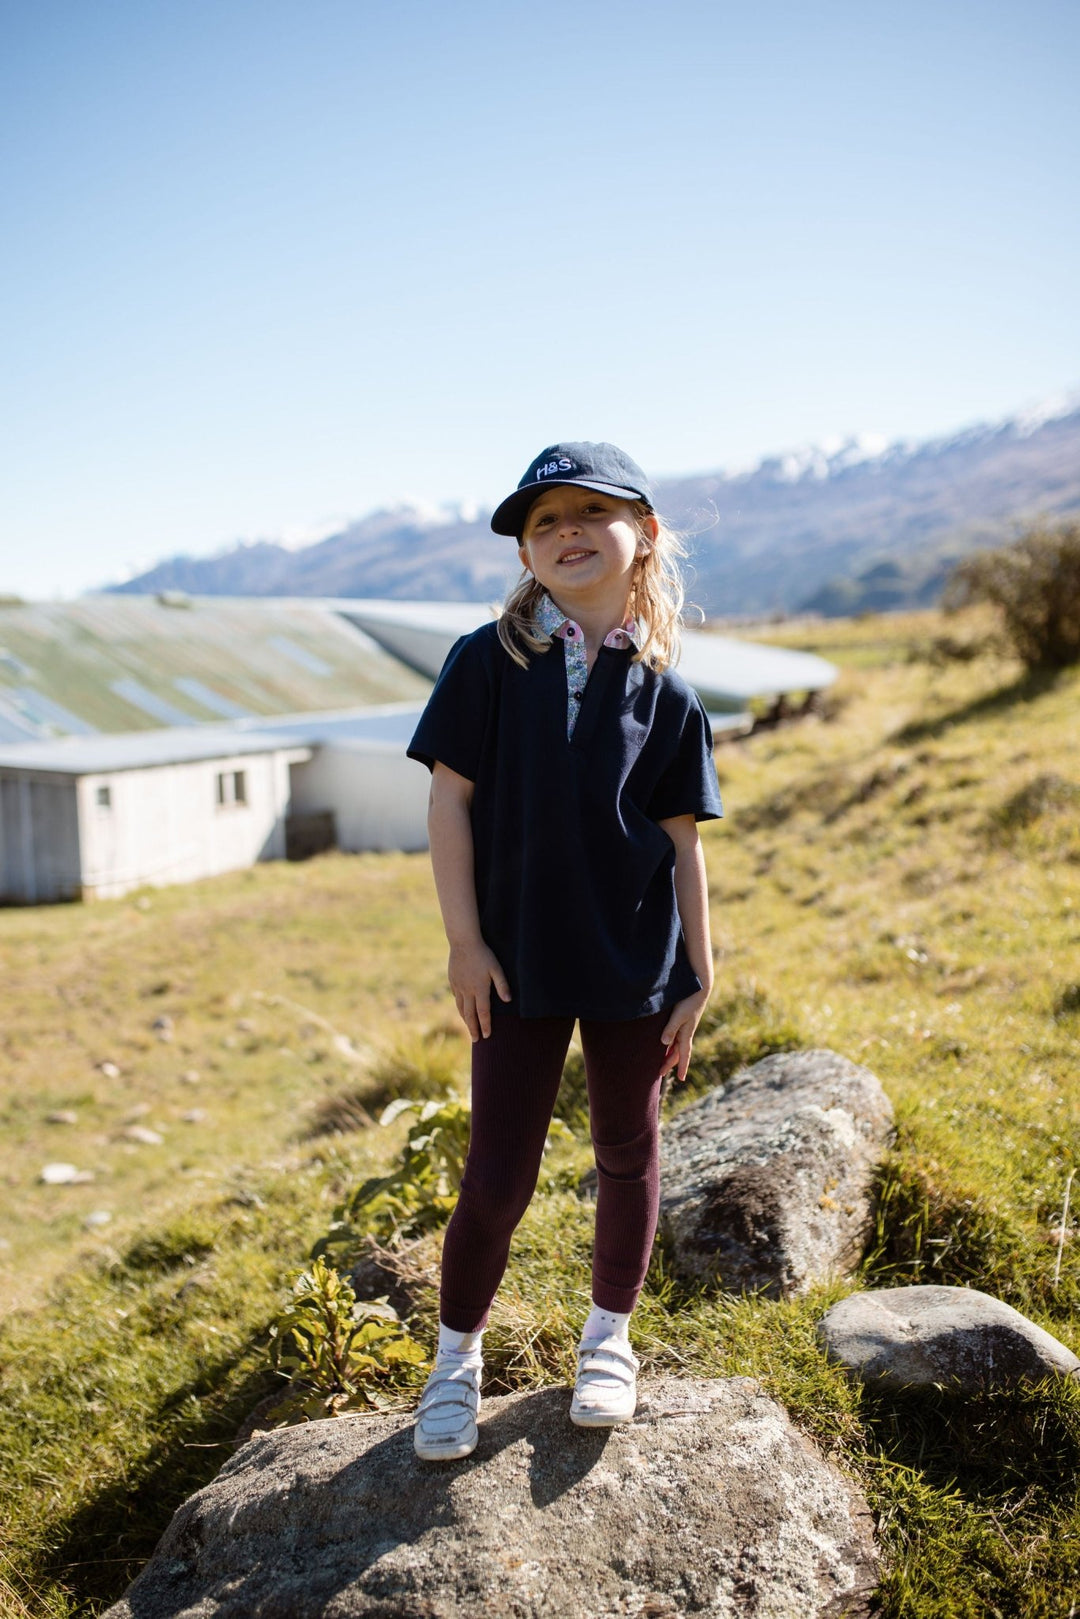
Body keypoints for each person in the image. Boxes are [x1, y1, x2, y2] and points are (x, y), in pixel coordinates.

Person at [406, 441, 722, 1461]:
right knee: (498, 1170)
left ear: (646, 536)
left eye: (593, 510)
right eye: (546, 521)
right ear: (527, 553)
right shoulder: (487, 661)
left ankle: (609, 1341)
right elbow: (449, 799)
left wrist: (701, 976)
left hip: (636, 969)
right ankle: (455, 1358)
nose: (569, 530)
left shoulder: (669, 694)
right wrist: (464, 941)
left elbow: (682, 842)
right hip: (517, 961)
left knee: (628, 1153)